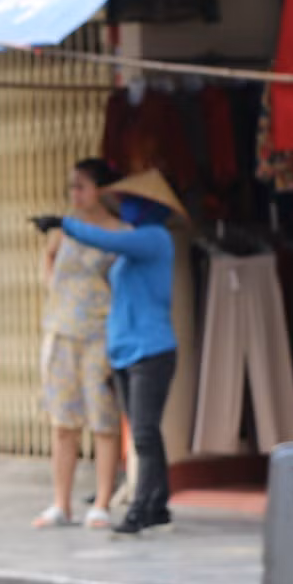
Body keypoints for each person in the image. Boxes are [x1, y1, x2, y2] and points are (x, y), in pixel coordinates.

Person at [58, 168, 184, 536]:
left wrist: (65, 225)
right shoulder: (133, 250)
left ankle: (141, 509)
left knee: (143, 434)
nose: (125, 208)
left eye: (132, 203)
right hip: (125, 352)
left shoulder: (154, 239)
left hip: (152, 350)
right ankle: (158, 506)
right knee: (146, 433)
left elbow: (106, 241)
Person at [30, 159, 123, 530]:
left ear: (100, 189)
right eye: (72, 186)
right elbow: (49, 258)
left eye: (81, 186)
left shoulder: (119, 232)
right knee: (62, 423)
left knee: (103, 420)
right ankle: (61, 503)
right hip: (60, 332)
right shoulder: (64, 229)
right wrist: (52, 285)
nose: (75, 193)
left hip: (99, 334)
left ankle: (101, 502)